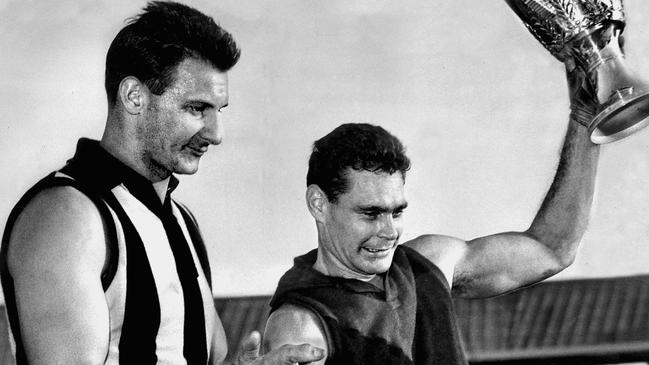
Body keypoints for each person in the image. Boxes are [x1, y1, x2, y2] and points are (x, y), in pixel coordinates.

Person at [0, 2, 323, 365]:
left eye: (220, 111)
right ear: (134, 96)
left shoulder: (180, 219)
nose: (216, 134)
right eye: (197, 109)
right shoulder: (67, 215)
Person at [262, 64, 602, 363]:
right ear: (319, 204)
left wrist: (585, 119)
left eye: (396, 212)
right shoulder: (300, 325)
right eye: (370, 213)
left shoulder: (428, 264)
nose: (388, 232)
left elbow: (551, 249)